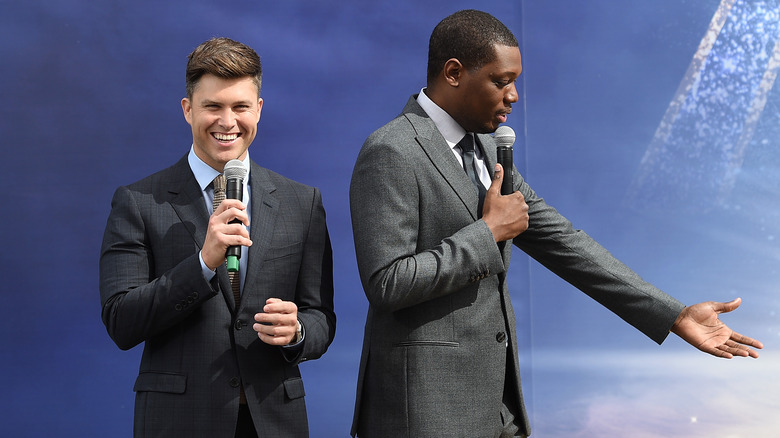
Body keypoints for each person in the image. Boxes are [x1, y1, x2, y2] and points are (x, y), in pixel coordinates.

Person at [348, 10, 762, 438]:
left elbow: (568, 245)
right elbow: (386, 283)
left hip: (497, 407)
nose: (513, 96)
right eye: (500, 80)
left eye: (515, 82)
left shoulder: (489, 149)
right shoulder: (391, 150)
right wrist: (487, 234)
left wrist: (673, 315)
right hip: (424, 412)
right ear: (454, 73)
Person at [99, 37, 336, 438]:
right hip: (179, 421)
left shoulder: (302, 202)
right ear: (187, 109)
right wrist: (203, 264)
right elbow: (122, 321)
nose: (228, 121)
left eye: (240, 106)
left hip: (274, 422)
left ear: (258, 110)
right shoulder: (138, 202)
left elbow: (321, 319)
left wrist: (296, 332)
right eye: (213, 106)